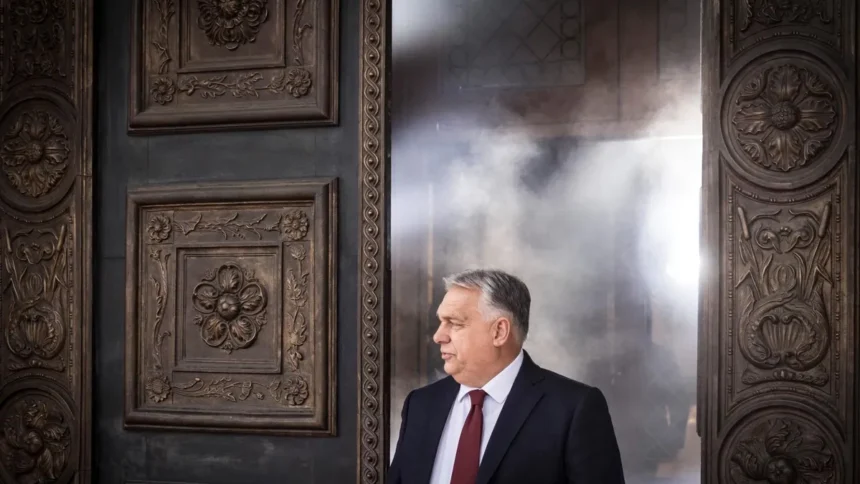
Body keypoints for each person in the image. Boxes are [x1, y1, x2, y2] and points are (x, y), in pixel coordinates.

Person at [388, 269, 625, 484]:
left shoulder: (573, 409)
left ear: (499, 331)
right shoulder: (421, 405)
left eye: (454, 323)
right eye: (441, 322)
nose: (438, 336)